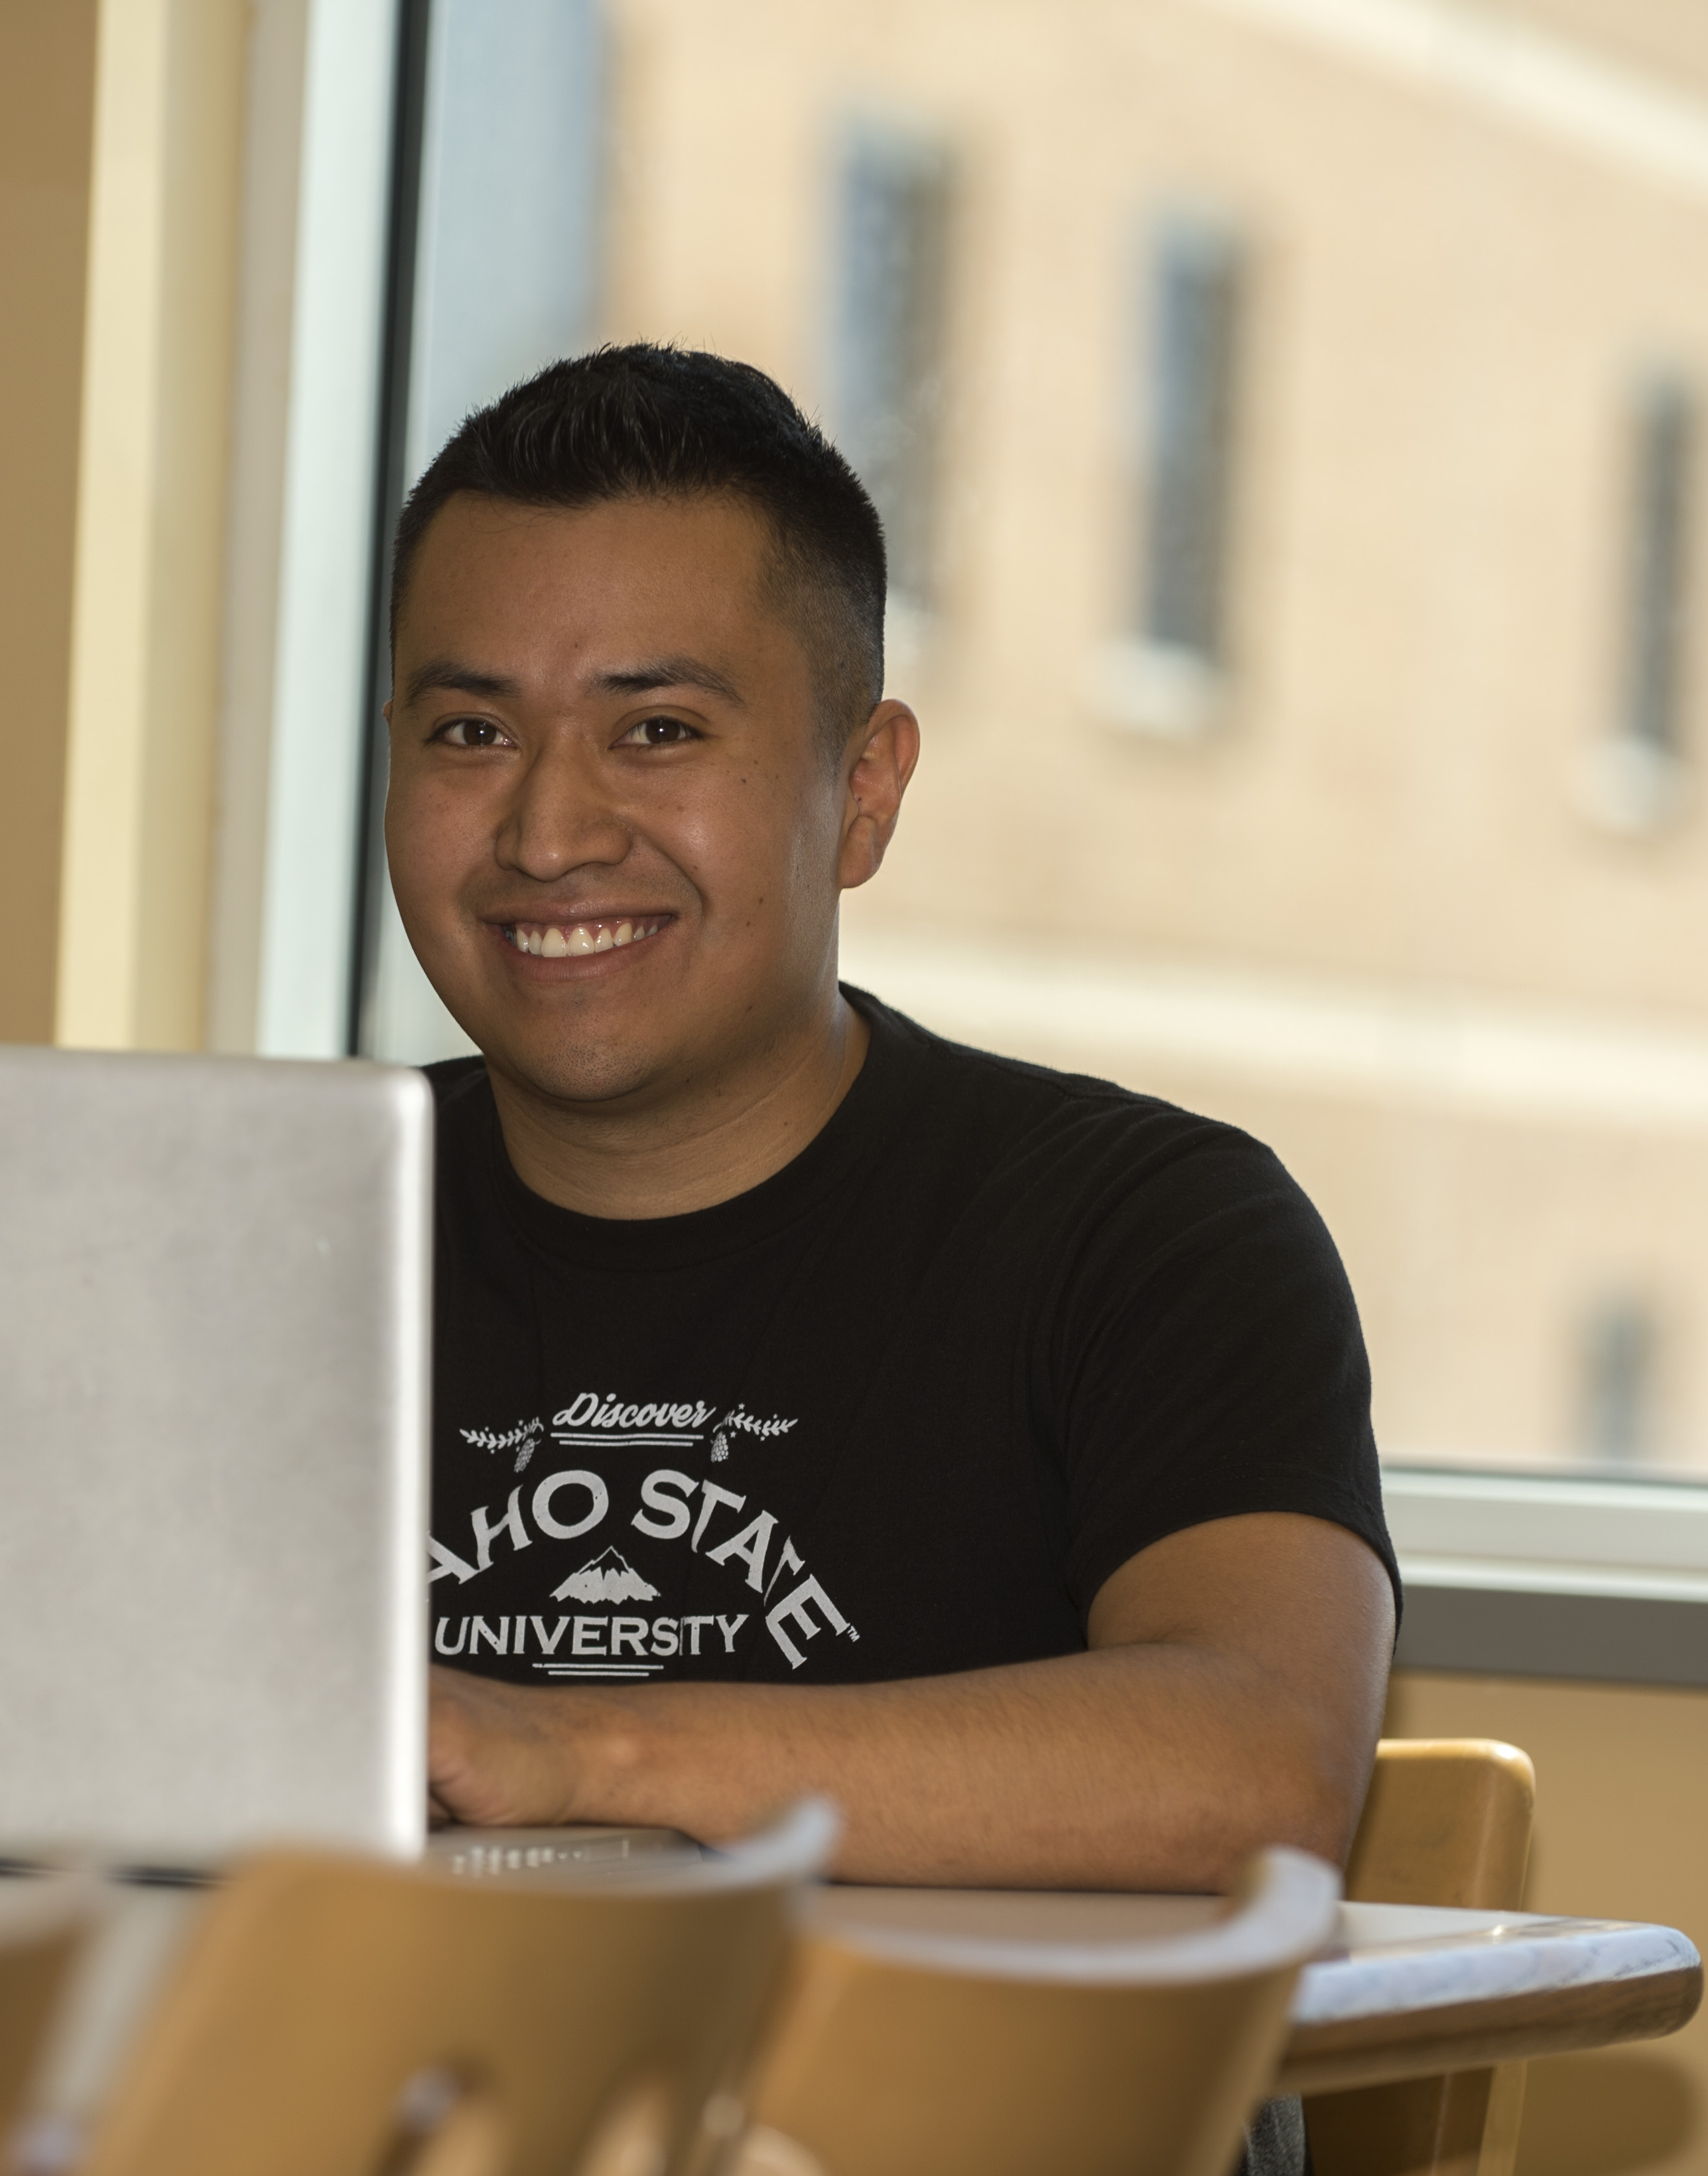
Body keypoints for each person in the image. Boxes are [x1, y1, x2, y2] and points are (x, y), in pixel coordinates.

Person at [391, 345, 1398, 1908]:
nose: (547, 830)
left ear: (862, 791)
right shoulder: (263, 1223)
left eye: (654, 730)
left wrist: (582, 1754)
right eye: (469, 734)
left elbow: (1259, 1772)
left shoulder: (1148, 1230)